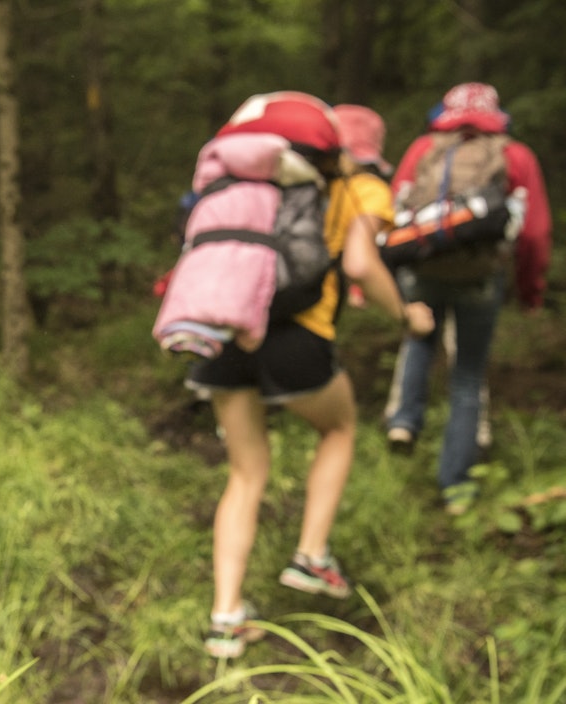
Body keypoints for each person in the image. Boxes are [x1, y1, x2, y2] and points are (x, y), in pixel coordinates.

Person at [187, 97, 434, 659]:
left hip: (226, 328)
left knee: (245, 474)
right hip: (296, 334)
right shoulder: (360, 186)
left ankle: (225, 620)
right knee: (340, 427)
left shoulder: (249, 181)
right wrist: (405, 316)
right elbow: (359, 265)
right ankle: (312, 556)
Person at [383, 83, 552, 515]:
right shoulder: (515, 155)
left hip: (421, 270)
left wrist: (375, 278)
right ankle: (456, 486)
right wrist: (530, 289)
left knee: (419, 339)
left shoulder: (425, 147)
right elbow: (533, 233)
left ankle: (404, 421)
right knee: (468, 377)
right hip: (481, 276)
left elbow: (391, 212)